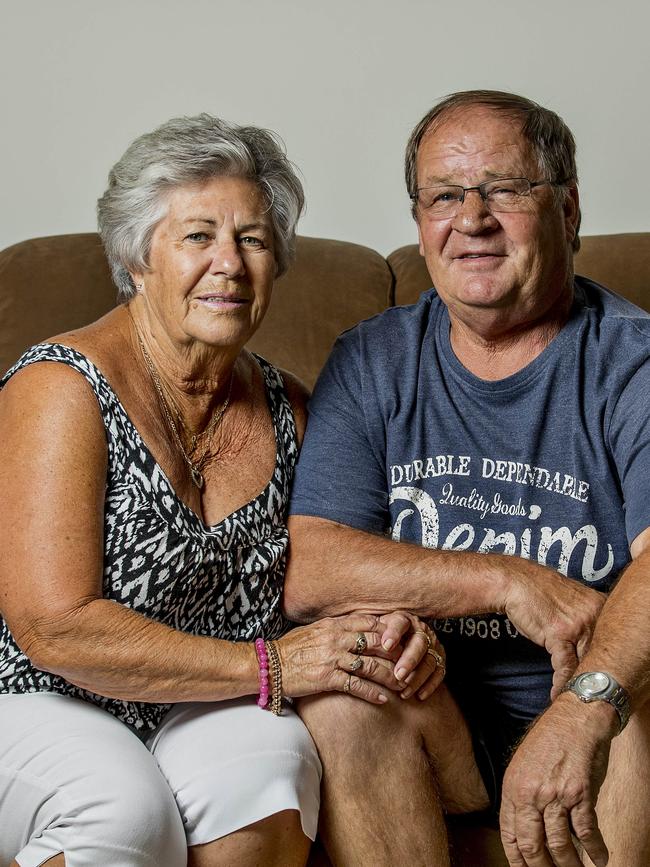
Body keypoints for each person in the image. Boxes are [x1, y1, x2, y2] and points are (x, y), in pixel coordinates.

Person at [0, 114, 442, 867]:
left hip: (195, 698)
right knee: (123, 808)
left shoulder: (294, 409)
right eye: (198, 236)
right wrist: (269, 667)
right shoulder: (60, 388)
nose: (229, 265)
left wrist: (399, 629)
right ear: (138, 259)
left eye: (254, 240)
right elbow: (56, 628)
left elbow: (326, 572)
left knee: (268, 768)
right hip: (38, 695)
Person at [285, 90, 650, 867]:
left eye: (506, 189)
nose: (472, 218)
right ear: (420, 222)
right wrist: (507, 581)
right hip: (443, 718)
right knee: (345, 698)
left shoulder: (631, 361)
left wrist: (585, 705)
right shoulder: (374, 359)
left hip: (602, 721)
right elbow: (310, 564)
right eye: (445, 195)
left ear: (569, 207)